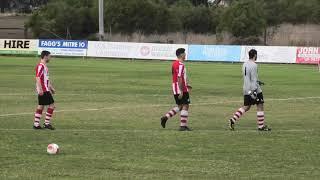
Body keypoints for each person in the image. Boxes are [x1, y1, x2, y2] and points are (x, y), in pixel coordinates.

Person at [229, 49, 271, 131]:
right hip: (254, 89)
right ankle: (261, 126)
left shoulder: (244, 64)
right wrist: (254, 90)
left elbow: (248, 77)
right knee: (260, 104)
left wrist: (258, 82)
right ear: (255, 55)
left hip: (246, 88)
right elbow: (254, 79)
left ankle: (233, 119)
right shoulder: (254, 65)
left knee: (247, 106)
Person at [160, 48, 192, 131]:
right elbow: (179, 78)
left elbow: (176, 76)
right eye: (184, 53)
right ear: (181, 55)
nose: (185, 55)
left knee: (180, 106)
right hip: (181, 87)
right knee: (185, 105)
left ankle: (165, 117)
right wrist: (181, 90)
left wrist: (187, 84)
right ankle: (183, 126)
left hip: (175, 87)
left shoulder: (174, 64)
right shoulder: (181, 65)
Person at [33, 50, 56, 130]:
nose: (50, 58)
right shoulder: (40, 66)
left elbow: (46, 79)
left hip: (45, 89)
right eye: (49, 56)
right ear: (45, 56)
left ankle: (36, 124)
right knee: (52, 105)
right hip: (43, 89)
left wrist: (51, 87)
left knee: (41, 106)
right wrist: (40, 89)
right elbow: (38, 77)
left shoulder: (45, 66)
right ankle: (46, 123)